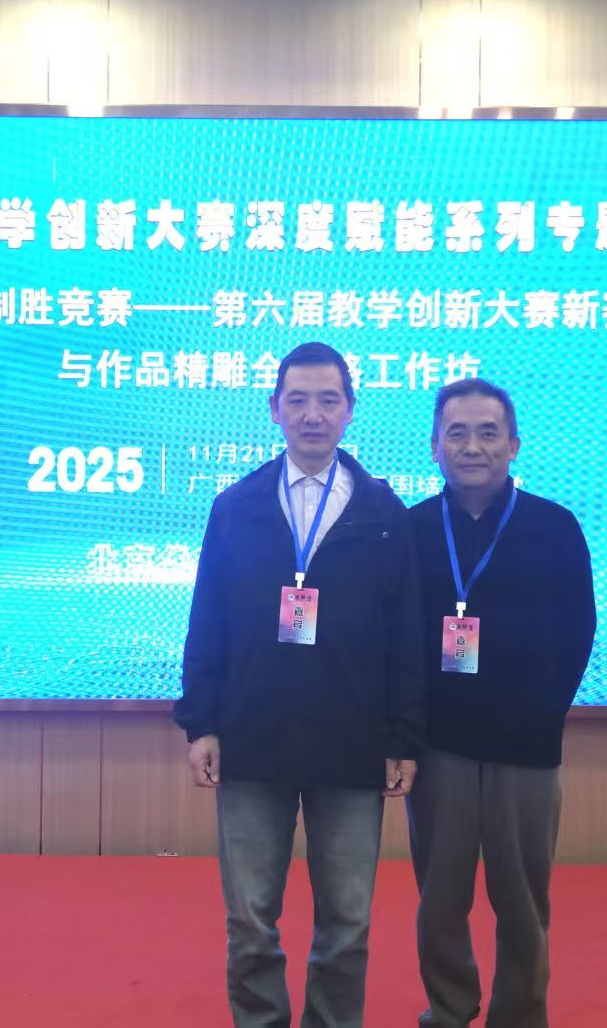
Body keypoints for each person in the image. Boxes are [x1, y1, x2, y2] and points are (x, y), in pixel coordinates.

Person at [173, 341, 424, 1028]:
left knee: (347, 922)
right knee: (251, 919)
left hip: (352, 743)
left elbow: (405, 634)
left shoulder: (383, 513)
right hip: (253, 738)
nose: (313, 414)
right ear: (274, 409)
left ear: (350, 411)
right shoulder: (238, 506)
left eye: (328, 400)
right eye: (298, 400)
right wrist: (201, 723)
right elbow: (209, 618)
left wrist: (403, 738)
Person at [407, 378, 596, 1028]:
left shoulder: (554, 526)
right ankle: (449, 1008)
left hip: (525, 749)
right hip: (439, 748)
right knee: (440, 899)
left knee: (522, 900)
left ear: (513, 444)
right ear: (434, 446)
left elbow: (578, 632)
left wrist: (542, 717)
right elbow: (393, 638)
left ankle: (520, 1014)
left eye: (488, 433)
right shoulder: (411, 530)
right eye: (456, 433)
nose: (472, 446)